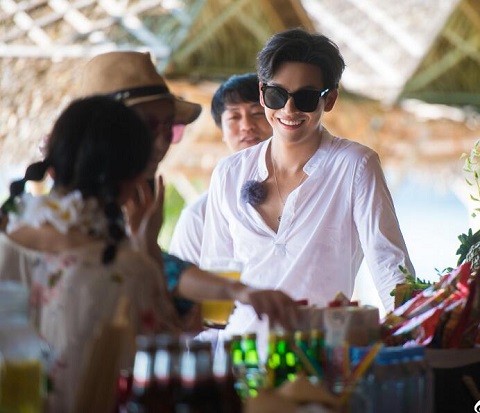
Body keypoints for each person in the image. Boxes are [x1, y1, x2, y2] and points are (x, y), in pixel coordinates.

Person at [0, 96, 299, 412]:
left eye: (169, 128)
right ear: (132, 179)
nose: (162, 140)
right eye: (153, 125)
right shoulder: (127, 268)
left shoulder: (9, 241)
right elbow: (162, 366)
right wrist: (148, 249)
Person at [200, 28, 415, 356]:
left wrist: (413, 342)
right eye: (277, 95)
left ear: (330, 99)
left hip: (318, 359)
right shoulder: (229, 173)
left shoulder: (355, 166)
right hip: (238, 357)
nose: (289, 110)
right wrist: (204, 364)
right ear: (262, 93)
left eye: (305, 97)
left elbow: (390, 267)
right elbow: (215, 279)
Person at [169, 73, 272, 264]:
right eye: (234, 116)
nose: (247, 125)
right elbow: (184, 279)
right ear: (222, 131)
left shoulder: (310, 190)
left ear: (276, 117)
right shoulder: (199, 216)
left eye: (257, 113)